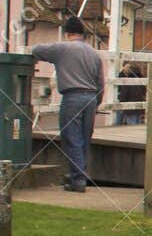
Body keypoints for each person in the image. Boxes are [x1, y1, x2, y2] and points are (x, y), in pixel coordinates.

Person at [31, 17, 104, 193]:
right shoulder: (94, 54)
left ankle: (77, 179)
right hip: (91, 98)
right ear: (83, 34)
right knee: (85, 139)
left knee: (72, 138)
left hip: (72, 97)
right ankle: (80, 175)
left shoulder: (62, 49)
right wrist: (97, 102)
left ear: (67, 33)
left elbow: (37, 50)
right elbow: (101, 82)